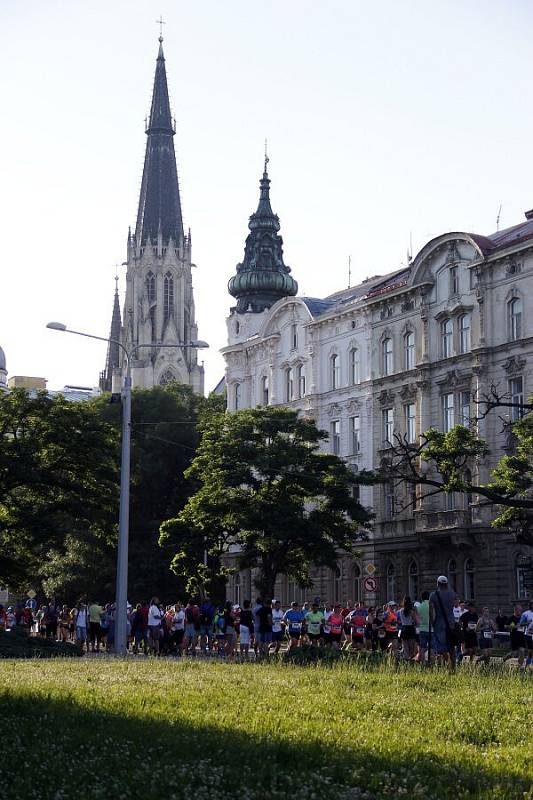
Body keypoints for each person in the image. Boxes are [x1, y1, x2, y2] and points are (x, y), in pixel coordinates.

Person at [429, 576, 457, 668]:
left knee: (441, 647)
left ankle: (447, 663)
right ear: (447, 584)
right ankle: (453, 667)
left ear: (438, 584)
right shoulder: (452, 593)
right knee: (451, 646)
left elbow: (431, 611)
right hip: (451, 623)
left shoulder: (433, 595)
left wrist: (433, 622)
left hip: (439, 624)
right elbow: (455, 605)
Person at [398, 596, 418, 661]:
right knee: (411, 647)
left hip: (403, 628)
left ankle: (406, 660)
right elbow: (416, 621)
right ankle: (410, 660)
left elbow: (400, 620)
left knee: (405, 647)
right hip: (410, 628)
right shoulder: (412, 612)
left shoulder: (400, 611)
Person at [416, 592, 430, 663]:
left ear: (422, 598)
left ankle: (423, 662)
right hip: (431, 629)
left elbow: (417, 620)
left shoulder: (419, 607)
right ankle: (432, 663)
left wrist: (421, 624)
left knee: (422, 647)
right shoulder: (431, 605)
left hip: (422, 629)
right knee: (432, 648)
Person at [519, 600, 533, 668]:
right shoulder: (525, 614)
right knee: (530, 652)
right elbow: (520, 624)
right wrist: (527, 623)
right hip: (528, 635)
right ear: (530, 605)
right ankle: (526, 666)